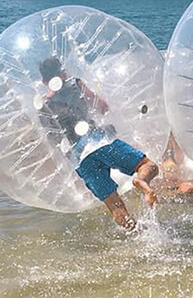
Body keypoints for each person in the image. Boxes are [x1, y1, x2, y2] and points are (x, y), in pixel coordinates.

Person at [38, 57, 158, 230]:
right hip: (98, 142)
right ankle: (141, 181)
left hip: (81, 160)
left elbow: (53, 138)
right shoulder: (75, 84)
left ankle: (140, 236)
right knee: (148, 166)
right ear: (63, 72)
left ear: (43, 81)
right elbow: (101, 106)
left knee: (115, 207)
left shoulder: (43, 105)